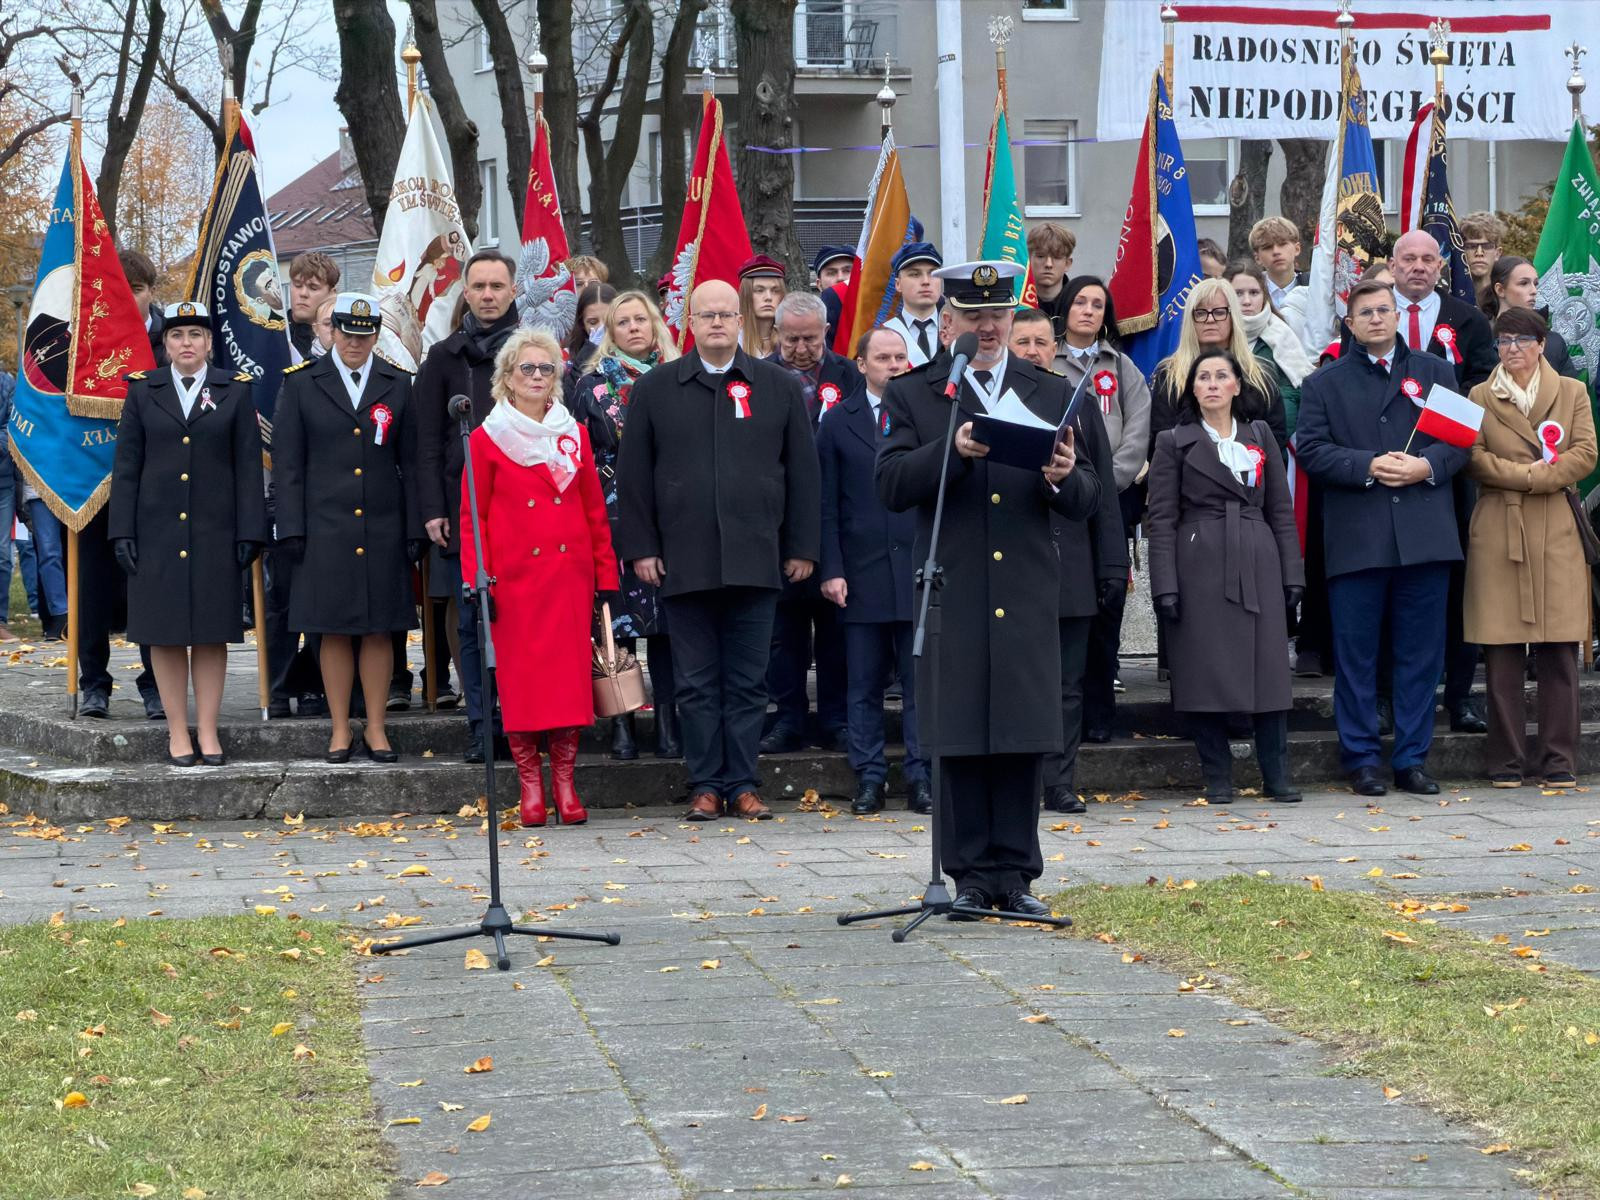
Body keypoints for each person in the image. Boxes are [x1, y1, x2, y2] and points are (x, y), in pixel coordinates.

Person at [878, 259, 1099, 918]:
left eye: (997, 315)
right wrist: (953, 450)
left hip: (1025, 587)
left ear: (1013, 318)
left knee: (1022, 733)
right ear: (950, 321)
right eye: (973, 317)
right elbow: (889, 485)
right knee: (963, 732)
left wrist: (1062, 474)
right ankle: (969, 875)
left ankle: (1017, 876)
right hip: (956, 586)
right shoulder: (918, 393)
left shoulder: (1050, 390)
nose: (987, 327)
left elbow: (1087, 497)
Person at [617, 278, 819, 821]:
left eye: (726, 315)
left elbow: (802, 472)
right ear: (690, 319)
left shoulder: (776, 387)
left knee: (749, 682)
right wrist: (642, 548)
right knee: (696, 682)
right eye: (706, 315)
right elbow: (634, 477)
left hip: (757, 558)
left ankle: (743, 783)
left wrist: (801, 545)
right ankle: (705, 783)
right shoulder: (656, 388)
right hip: (683, 560)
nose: (716, 324)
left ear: (742, 319)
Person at [1296, 277, 1468, 796]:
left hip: (1424, 536)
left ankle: (1411, 758)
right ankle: (1362, 758)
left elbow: (1461, 443)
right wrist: (1367, 464)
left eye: (1384, 310)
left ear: (1398, 316)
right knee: (1357, 656)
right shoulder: (1322, 384)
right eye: (1365, 312)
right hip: (1358, 541)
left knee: (1421, 655)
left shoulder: (1437, 372)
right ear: (1349, 324)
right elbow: (1311, 450)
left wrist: (1425, 467)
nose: (1376, 318)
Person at [460, 327, 618, 826]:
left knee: (569, 685)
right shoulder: (486, 439)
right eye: (526, 368)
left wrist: (604, 574)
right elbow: (472, 518)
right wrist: (476, 578)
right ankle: (531, 786)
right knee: (524, 688)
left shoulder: (572, 435)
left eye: (545, 368)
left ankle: (566, 786)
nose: (535, 376)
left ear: (556, 377)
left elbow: (594, 508)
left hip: (568, 578)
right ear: (507, 378)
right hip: (514, 582)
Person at [109, 301, 267, 765]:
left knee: (213, 633)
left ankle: (210, 731)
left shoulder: (233, 391)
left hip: (215, 531)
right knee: (166, 634)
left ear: (209, 343)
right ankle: (178, 732)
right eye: (178, 336)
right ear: (165, 343)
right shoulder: (144, 391)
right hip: (155, 531)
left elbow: (246, 467)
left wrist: (250, 532)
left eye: (196, 335)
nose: (186, 344)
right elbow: (127, 466)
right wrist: (122, 530)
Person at [1147, 349, 1304, 803]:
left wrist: (1292, 571)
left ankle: (1277, 775)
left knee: (1270, 673)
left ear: (1237, 385)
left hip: (1258, 558)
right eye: (1203, 377)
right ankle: (1217, 776)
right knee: (1204, 671)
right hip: (1199, 565)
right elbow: (1161, 518)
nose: (1212, 383)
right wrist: (1165, 585)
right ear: (1192, 389)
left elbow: (1280, 507)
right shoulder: (1173, 442)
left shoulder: (1259, 436)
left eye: (1222, 376)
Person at [274, 292, 423, 764]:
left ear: (376, 335)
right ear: (332, 332)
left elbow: (413, 463)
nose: (355, 343)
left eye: (365, 335)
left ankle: (377, 728)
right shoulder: (301, 385)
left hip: (382, 526)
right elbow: (288, 464)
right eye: (347, 333)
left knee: (380, 629)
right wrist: (291, 527)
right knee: (331, 630)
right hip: (323, 528)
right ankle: (340, 728)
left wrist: (415, 527)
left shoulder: (397, 383)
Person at [1464, 308, 1596, 788]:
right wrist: (1525, 477)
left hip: (1557, 524)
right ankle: (1507, 760)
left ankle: (1560, 759)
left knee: (1559, 647)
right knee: (1501, 649)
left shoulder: (1572, 391)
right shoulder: (1478, 395)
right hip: (1500, 525)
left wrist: (1540, 480)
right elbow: (1473, 457)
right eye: (1503, 340)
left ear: (1542, 343)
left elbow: (1585, 451)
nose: (1512, 348)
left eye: (1522, 339)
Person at [1010, 307, 1128, 813]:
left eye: (1042, 342)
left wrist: (1112, 566)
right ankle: (1016, 779)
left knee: (1067, 687)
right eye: (1024, 343)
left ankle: (1059, 781)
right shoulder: (992, 402)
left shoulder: (1075, 404)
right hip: (1012, 571)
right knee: (1017, 681)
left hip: (1070, 567)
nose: (1035, 351)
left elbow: (1101, 488)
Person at [818, 326, 931, 815]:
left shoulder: (926, 415)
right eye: (883, 357)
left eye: (901, 357)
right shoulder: (837, 422)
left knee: (918, 684)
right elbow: (825, 504)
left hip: (916, 570)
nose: (894, 365)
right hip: (860, 573)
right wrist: (831, 568)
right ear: (860, 364)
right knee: (861, 685)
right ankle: (869, 777)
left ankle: (921, 776)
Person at [416, 250, 523, 762]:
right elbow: (428, 442)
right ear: (465, 290)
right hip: (465, 507)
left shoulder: (534, 349)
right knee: (468, 618)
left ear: (512, 290)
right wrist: (434, 507)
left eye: (496, 286)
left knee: (518, 618)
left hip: (522, 506)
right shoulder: (443, 356)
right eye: (478, 286)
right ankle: (480, 722)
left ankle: (518, 720)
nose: (487, 295)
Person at [1392, 228, 1497, 734]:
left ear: (1440, 267)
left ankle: (1459, 696)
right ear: (1393, 267)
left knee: (1458, 588)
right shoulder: (1371, 315)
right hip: (1384, 469)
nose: (1417, 267)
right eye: (1407, 258)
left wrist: (1441, 401)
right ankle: (1389, 700)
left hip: (1448, 473)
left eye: (1427, 259)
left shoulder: (1467, 319)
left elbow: (1484, 380)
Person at [572, 290, 682, 761]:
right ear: (608, 333)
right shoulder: (590, 386)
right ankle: (621, 723)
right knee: (614, 626)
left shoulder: (679, 379)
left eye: (642, 319)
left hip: (669, 516)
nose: (634, 327)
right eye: (623, 322)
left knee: (666, 628)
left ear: (656, 325)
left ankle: (669, 725)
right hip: (611, 515)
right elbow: (576, 454)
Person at [1051, 276, 1150, 746]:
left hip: (1112, 500)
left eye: (1097, 304)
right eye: (1080, 303)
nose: (1088, 311)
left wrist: (1106, 482)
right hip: (1059, 500)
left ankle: (1100, 713)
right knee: (1069, 608)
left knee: (1108, 603)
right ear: (1066, 308)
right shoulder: (1046, 360)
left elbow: (1138, 427)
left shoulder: (1121, 365)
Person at [760, 291, 860, 754]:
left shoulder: (848, 375)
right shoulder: (757, 377)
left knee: (837, 631)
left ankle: (837, 718)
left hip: (838, 517)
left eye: (811, 339)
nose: (801, 349)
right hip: (778, 522)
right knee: (784, 633)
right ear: (776, 333)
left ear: (826, 333)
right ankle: (788, 718)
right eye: (792, 339)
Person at [1149, 278, 1287, 452]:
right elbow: (1161, 443)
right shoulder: (1170, 376)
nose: (1210, 319)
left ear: (1233, 317)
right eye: (1200, 313)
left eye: (1219, 312)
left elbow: (1275, 440)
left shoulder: (1260, 375)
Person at [1226, 260, 1314, 435]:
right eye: (1238, 293)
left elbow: (1291, 396)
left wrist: (1269, 441)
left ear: (1264, 295)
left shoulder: (1280, 335)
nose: (1247, 301)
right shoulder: (1215, 334)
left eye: (1254, 292)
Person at [1481, 256, 1580, 379]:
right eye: (1524, 283)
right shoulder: (1480, 339)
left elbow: (1572, 393)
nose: (1534, 290)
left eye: (1535, 283)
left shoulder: (1553, 342)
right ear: (1500, 290)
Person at [880, 242, 944, 369]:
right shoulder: (883, 334)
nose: (926, 281)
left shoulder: (958, 331)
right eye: (915, 274)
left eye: (933, 273)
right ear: (898, 284)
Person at [1249, 216, 1308, 347]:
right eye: (1267, 247)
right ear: (1257, 258)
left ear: (1297, 249)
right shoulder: (1249, 293)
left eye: (1282, 244)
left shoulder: (1313, 288)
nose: (1276, 252)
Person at [1025, 223, 1076, 340]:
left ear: (1067, 263)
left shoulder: (1079, 304)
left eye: (1057, 257)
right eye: (1041, 256)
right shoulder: (1015, 304)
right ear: (1029, 260)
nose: (1048, 264)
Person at [287, 251, 340, 363]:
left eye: (313, 288)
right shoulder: (274, 333)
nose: (303, 293)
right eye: (297, 285)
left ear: (332, 293)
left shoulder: (343, 337)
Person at [119, 249, 168, 367]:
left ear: (152, 292)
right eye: (121, 289)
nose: (128, 298)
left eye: (136, 289)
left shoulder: (172, 343)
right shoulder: (92, 340)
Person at [564, 282, 618, 387]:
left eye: (608, 320)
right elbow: (570, 396)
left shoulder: (634, 350)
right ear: (582, 324)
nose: (602, 327)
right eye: (593, 322)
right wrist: (589, 353)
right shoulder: (567, 358)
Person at [737, 255, 786, 359]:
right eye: (759, 290)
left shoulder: (792, 340)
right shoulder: (732, 342)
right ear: (746, 295)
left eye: (775, 290)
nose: (768, 297)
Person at [1460, 211, 1505, 307]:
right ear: (1461, 251)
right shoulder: (1450, 295)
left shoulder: (1507, 297)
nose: (1479, 253)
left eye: (1487, 246)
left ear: (1497, 253)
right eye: (1471, 246)